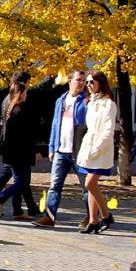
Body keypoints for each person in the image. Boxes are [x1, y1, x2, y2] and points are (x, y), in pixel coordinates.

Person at [0, 71, 39, 219]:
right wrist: (33, 151)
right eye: (28, 84)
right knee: (22, 181)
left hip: (9, 148)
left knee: (5, 176)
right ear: (24, 85)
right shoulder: (18, 106)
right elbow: (25, 133)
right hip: (18, 150)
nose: (29, 89)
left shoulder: (7, 100)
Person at [33, 70, 88, 228]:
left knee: (87, 187)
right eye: (79, 80)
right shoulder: (61, 100)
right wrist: (51, 147)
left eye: (83, 80)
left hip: (79, 152)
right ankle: (49, 217)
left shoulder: (87, 101)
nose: (82, 83)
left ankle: (93, 217)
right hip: (60, 151)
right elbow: (55, 125)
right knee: (54, 186)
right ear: (70, 81)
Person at [76, 69, 118, 234]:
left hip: (101, 149)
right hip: (90, 147)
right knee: (91, 186)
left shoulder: (109, 104)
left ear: (101, 83)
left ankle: (106, 216)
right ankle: (94, 221)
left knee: (90, 183)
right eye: (87, 82)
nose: (88, 85)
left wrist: (97, 149)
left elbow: (108, 131)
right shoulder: (90, 102)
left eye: (92, 82)